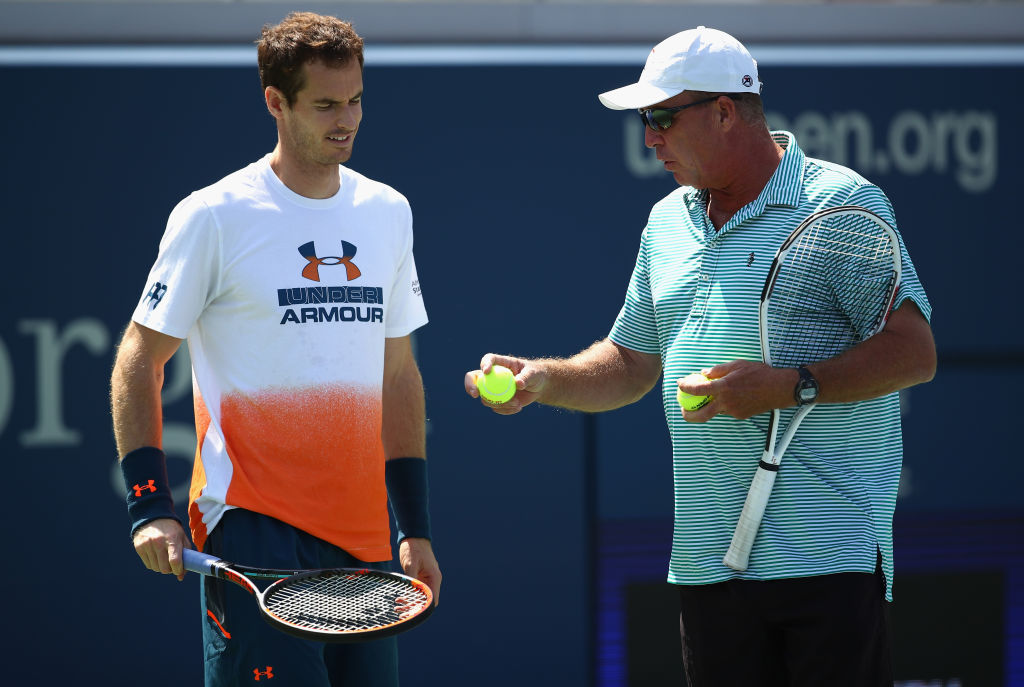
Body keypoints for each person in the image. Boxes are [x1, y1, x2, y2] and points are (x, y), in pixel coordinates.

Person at [464, 26, 935, 686]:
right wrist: (545, 379)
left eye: (662, 117)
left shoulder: (840, 202)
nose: (650, 137)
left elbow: (914, 352)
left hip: (829, 563)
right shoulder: (666, 223)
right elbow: (629, 363)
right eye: (644, 120)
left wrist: (788, 385)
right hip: (709, 567)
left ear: (723, 112)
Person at [110, 12, 441, 686]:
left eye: (354, 100)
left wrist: (414, 526)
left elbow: (399, 374)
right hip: (254, 534)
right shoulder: (213, 216)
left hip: (366, 544)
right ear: (275, 102)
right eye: (324, 104)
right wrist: (150, 507)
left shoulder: (388, 211)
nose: (345, 119)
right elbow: (138, 359)